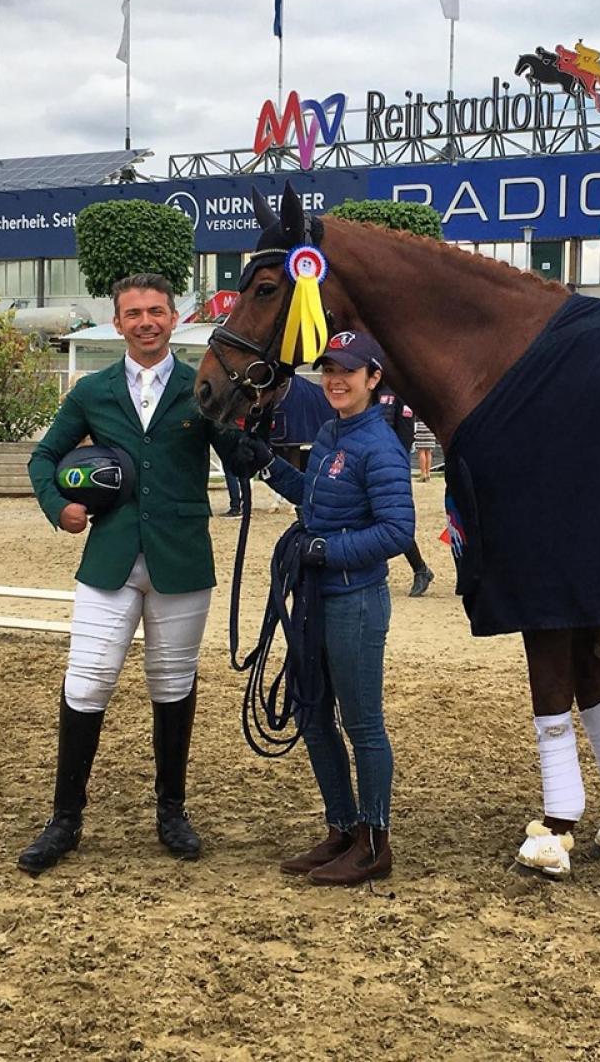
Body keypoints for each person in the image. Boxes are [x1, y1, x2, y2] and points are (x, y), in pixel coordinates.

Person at [20, 273, 240, 875]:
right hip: (111, 559)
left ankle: (172, 811)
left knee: (171, 684)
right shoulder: (92, 390)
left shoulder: (203, 387)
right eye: (134, 313)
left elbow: (241, 455)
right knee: (87, 682)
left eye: (156, 311)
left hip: (181, 559)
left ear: (176, 318)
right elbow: (44, 456)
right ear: (118, 323)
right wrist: (55, 504)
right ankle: (65, 819)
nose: (145, 321)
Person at [236, 329, 414, 886]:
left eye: (347, 370)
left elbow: (396, 530)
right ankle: (341, 828)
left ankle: (374, 840)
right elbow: (314, 497)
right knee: (312, 714)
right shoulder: (333, 433)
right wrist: (265, 463)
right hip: (315, 597)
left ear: (372, 378)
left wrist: (325, 550)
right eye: (328, 369)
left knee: (363, 724)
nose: (335, 379)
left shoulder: (380, 446)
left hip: (355, 599)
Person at [377, 378, 435, 597]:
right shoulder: (366, 388)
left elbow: (405, 434)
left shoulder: (399, 391)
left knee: (393, 521)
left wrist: (395, 465)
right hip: (365, 462)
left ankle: (420, 569)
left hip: (389, 464)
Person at [413, 416, 437, 482]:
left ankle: (423, 474)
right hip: (430, 426)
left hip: (421, 425)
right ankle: (428, 474)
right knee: (428, 451)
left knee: (421, 451)